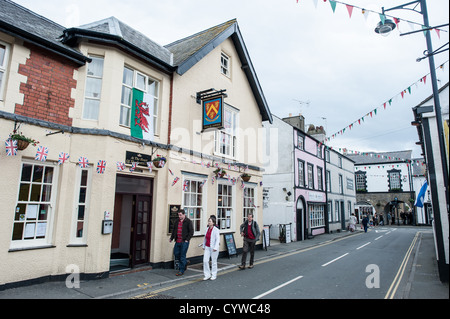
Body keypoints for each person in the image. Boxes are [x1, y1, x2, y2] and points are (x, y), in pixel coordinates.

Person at [169, 208, 194, 276]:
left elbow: (191, 232)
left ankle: (181, 270)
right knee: (176, 253)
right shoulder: (177, 221)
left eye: (180, 215)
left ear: (184, 214)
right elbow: (174, 230)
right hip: (178, 241)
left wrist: (187, 239)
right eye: (178, 215)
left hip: (184, 241)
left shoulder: (188, 221)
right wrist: (171, 238)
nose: (179, 216)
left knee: (182, 255)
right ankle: (185, 263)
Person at [202, 215, 220, 280]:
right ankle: (207, 274)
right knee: (205, 261)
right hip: (207, 247)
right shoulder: (207, 229)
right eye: (208, 221)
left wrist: (215, 247)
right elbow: (205, 238)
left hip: (213, 248)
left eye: (210, 221)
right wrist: (204, 245)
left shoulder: (216, 230)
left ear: (213, 223)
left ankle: (214, 274)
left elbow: (218, 239)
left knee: (214, 261)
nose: (209, 222)